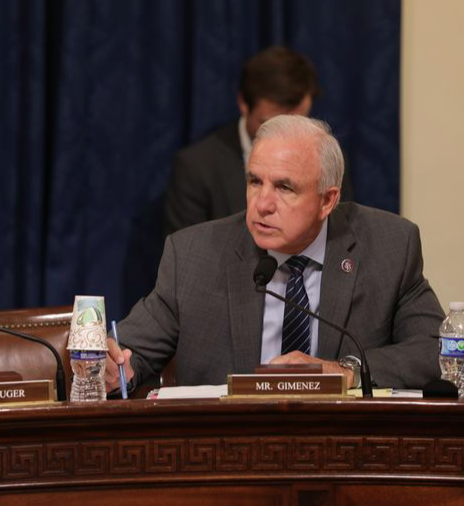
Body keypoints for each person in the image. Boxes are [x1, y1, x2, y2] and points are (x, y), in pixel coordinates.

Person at [106, 115, 443, 394]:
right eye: (255, 182)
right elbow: (130, 354)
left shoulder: (389, 246)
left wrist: (346, 371)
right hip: (228, 454)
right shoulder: (193, 255)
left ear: (328, 200)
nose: (262, 204)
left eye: (284, 188)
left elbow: (439, 349)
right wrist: (108, 365)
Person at [163, 46, 353, 236]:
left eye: (298, 120)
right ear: (243, 104)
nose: (284, 133)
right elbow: (190, 256)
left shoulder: (327, 160)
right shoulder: (197, 167)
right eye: (255, 181)